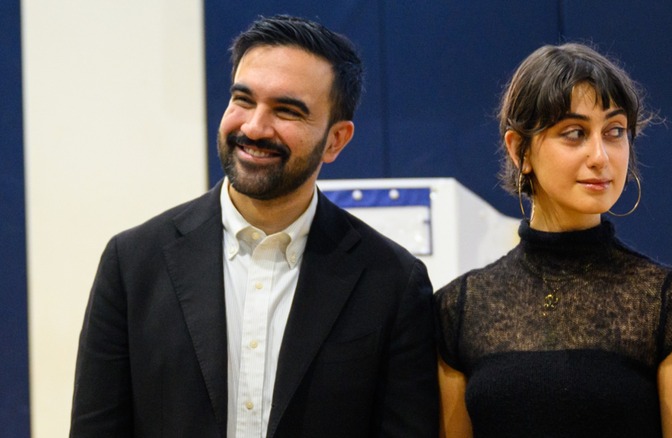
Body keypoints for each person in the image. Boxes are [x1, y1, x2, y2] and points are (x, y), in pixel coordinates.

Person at [70, 15, 438, 438]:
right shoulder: (133, 264)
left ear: (335, 140)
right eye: (243, 100)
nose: (254, 127)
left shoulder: (392, 282)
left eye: (287, 110)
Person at [435, 43, 672, 437]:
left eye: (615, 132)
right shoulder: (461, 308)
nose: (601, 156)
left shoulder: (671, 306)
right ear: (519, 150)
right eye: (574, 133)